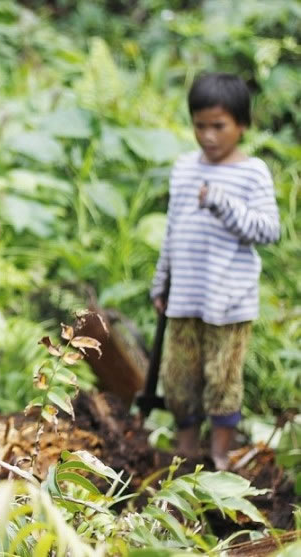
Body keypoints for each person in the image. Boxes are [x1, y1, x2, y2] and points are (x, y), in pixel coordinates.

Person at [150, 73, 280, 470]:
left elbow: (268, 230)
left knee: (222, 378)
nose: (208, 136)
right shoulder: (184, 168)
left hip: (229, 299)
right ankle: (186, 452)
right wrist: (161, 281)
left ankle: (220, 457)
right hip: (185, 295)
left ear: (242, 125)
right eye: (200, 125)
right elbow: (173, 229)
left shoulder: (252, 172)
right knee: (179, 378)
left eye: (218, 126)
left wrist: (223, 203)